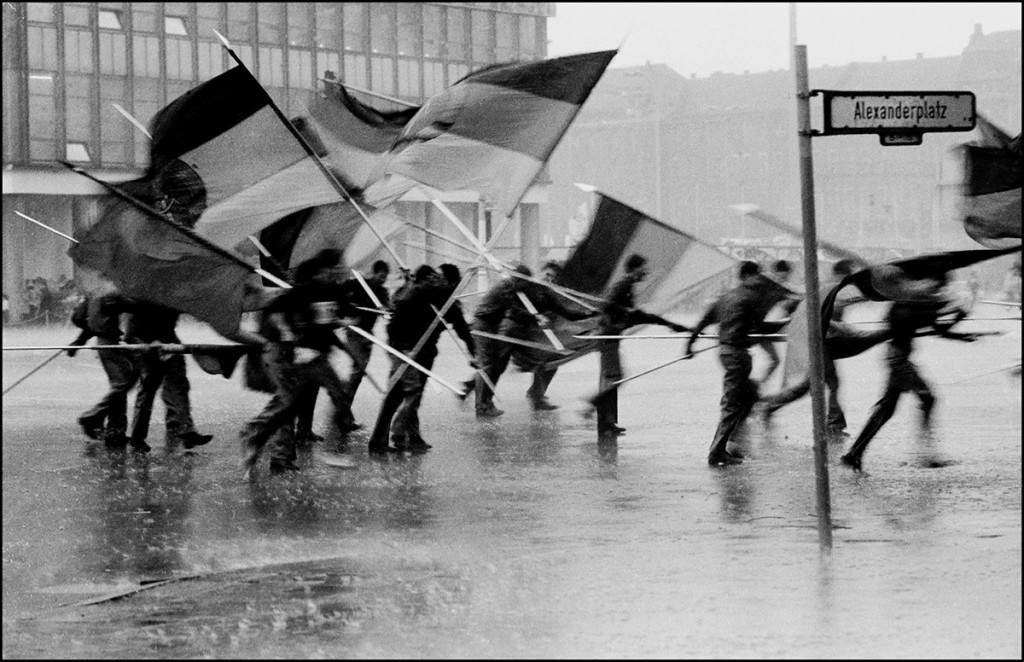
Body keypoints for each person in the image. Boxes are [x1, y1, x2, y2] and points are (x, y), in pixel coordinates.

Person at [839, 270, 979, 472]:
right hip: (898, 360)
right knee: (927, 398)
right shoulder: (907, 303)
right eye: (935, 285)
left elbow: (940, 329)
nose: (936, 290)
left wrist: (961, 326)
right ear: (926, 281)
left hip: (900, 358)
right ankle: (926, 455)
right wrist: (950, 310)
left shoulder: (919, 302)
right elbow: (909, 321)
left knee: (886, 409)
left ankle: (854, 454)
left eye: (939, 287)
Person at [240, 248, 360, 476]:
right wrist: (286, 331)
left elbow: (342, 317)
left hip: (319, 358)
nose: (341, 271)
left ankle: (259, 435)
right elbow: (275, 309)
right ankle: (271, 447)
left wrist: (352, 320)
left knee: (329, 399)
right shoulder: (304, 291)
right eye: (336, 268)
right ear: (325, 270)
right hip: (303, 357)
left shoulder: (336, 292)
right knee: (293, 404)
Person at [686, 261, 788, 466]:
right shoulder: (750, 298)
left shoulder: (725, 297)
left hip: (725, 352)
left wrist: (689, 346)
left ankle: (730, 444)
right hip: (737, 355)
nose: (759, 280)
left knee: (750, 396)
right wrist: (788, 323)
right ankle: (717, 452)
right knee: (732, 405)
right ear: (748, 276)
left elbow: (703, 321)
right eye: (756, 276)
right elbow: (762, 328)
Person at [758, 259, 861, 437]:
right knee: (820, 384)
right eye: (850, 274)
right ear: (842, 275)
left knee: (816, 385)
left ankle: (772, 406)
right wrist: (843, 328)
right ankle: (833, 423)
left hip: (820, 345)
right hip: (816, 345)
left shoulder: (833, 290)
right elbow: (820, 319)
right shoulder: (832, 290)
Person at [592, 254, 689, 437]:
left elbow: (641, 316)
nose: (646, 272)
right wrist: (626, 312)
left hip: (611, 338)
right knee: (614, 379)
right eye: (643, 268)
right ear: (635, 269)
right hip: (607, 338)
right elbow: (607, 305)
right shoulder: (623, 285)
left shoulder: (628, 287)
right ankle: (593, 406)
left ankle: (607, 422)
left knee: (613, 379)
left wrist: (671, 325)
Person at [367, 265, 458, 453]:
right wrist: (403, 348)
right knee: (407, 394)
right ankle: (391, 437)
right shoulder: (412, 296)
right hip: (405, 350)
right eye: (433, 277)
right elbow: (394, 324)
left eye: (439, 278)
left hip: (416, 350)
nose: (436, 281)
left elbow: (453, 319)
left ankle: (401, 437)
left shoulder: (434, 297)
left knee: (410, 394)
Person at [71, 293, 140, 448]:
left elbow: (82, 319)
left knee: (120, 385)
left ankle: (115, 431)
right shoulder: (109, 294)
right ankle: (93, 417)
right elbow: (131, 306)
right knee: (123, 384)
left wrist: (79, 341)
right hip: (109, 344)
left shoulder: (93, 293)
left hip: (107, 343)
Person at [469, 265, 534, 418]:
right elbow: (514, 309)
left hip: (492, 325)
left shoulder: (512, 288)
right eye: (525, 281)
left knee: (495, 365)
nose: (526, 285)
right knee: (487, 366)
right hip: (483, 324)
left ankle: (486, 402)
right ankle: (481, 406)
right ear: (518, 278)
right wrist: (533, 316)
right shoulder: (506, 288)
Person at [754, 260, 802, 387]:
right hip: (758, 326)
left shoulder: (784, 288)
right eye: (782, 276)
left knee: (777, 360)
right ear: (776, 273)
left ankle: (760, 384)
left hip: (768, 326)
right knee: (775, 360)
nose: (784, 279)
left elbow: (798, 299)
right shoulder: (765, 284)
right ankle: (758, 385)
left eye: (786, 276)